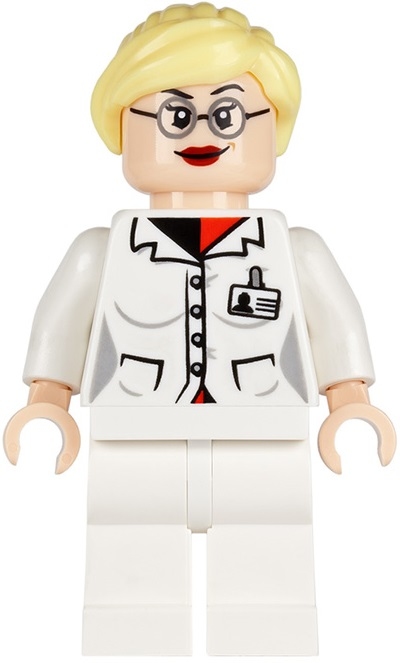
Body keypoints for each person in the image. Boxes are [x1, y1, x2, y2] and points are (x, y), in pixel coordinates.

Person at [4, 3, 395, 656]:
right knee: (129, 574)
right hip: (135, 432)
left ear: (273, 126)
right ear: (124, 126)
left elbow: (336, 325)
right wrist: (48, 402)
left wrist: (350, 401)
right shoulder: (103, 250)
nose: (202, 134)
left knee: (270, 573)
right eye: (175, 116)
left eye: (229, 115)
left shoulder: (294, 248)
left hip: (263, 431)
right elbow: (61, 326)